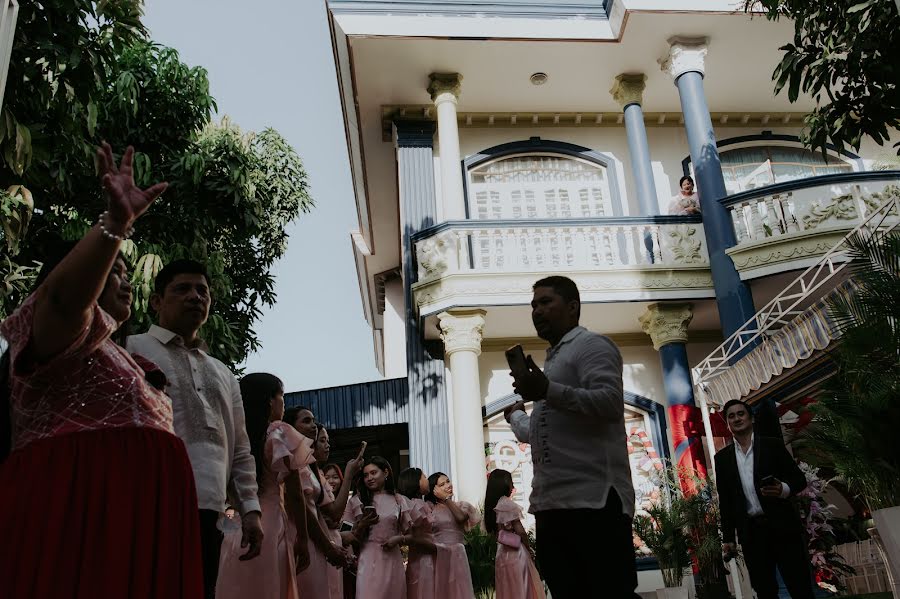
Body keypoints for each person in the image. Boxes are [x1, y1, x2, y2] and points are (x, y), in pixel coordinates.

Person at [0, 143, 203, 598]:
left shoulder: (127, 358)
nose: (125, 278)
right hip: (78, 521)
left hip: (139, 528)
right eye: (115, 269)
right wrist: (115, 225)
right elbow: (62, 301)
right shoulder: (61, 332)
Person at [127, 259, 263, 599]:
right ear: (157, 301)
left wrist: (251, 510)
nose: (194, 296)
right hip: (147, 502)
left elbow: (241, 447)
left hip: (209, 506)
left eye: (202, 290)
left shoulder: (223, 372)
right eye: (182, 289)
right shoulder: (131, 348)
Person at [504, 275, 638, 599]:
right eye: (533, 304)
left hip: (594, 503)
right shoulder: (553, 363)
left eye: (546, 302)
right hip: (553, 505)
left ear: (573, 306)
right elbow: (542, 432)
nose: (537, 310)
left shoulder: (592, 346)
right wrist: (516, 416)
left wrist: (547, 390)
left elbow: (609, 402)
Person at [216, 373, 311, 599]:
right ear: (270, 401)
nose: (283, 403)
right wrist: (303, 539)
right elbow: (296, 493)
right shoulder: (278, 432)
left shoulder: (234, 436)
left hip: (236, 526)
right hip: (269, 527)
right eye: (282, 396)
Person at [715, 399, 814, 599]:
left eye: (741, 414)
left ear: (751, 418)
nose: (737, 418)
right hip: (752, 534)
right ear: (727, 424)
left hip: (783, 527)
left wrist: (783, 489)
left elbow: (799, 480)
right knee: (765, 591)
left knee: (799, 586)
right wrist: (728, 538)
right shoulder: (722, 458)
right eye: (731, 416)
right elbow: (726, 501)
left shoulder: (772, 445)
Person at [284, 408, 353, 598]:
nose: (312, 425)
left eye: (314, 421)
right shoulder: (296, 465)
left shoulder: (309, 467)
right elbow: (309, 510)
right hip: (302, 537)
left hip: (318, 541)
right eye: (306, 421)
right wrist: (328, 546)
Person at [342, 456, 415, 599]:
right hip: (367, 559)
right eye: (365, 475)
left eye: (373, 473)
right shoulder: (356, 501)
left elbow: (413, 535)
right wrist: (361, 526)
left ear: (386, 473)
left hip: (393, 559)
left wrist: (398, 539)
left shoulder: (398, 500)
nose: (369, 478)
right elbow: (344, 532)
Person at [313, 424, 365, 599]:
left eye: (335, 477)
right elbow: (333, 515)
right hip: (323, 548)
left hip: (338, 548)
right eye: (322, 440)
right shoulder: (310, 477)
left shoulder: (347, 503)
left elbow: (342, 526)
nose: (327, 445)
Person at [483, 469, 544, 599]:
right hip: (516, 553)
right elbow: (520, 531)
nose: (513, 486)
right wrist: (528, 549)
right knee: (523, 589)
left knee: (508, 589)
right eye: (511, 481)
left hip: (502, 554)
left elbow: (496, 533)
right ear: (505, 483)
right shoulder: (506, 503)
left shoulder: (491, 505)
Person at [425, 472, 479, 599]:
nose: (448, 485)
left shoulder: (461, 506)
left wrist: (446, 499)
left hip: (458, 555)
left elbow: (460, 518)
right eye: (442, 484)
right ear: (435, 490)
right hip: (438, 555)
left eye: (448, 481)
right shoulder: (430, 508)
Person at [397, 468, 440, 599]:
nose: (427, 480)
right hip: (424, 558)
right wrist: (437, 547)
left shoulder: (422, 504)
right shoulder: (415, 505)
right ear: (415, 482)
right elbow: (414, 537)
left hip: (425, 556)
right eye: (424, 477)